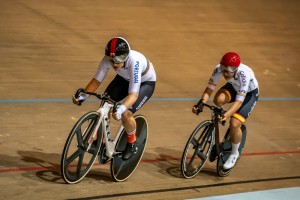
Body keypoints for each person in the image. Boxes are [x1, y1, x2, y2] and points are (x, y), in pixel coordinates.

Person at [72, 37, 156, 160]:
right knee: (105, 103)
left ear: (126, 56)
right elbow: (96, 81)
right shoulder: (108, 60)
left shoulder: (134, 62)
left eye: (119, 59)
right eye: (112, 60)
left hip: (145, 83)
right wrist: (83, 96)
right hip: (123, 80)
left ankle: (132, 144)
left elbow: (134, 95)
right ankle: (102, 141)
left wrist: (121, 109)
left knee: (126, 114)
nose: (115, 63)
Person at [192, 52, 259, 169]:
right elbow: (210, 88)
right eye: (223, 69)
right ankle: (214, 125)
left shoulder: (244, 74)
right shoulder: (218, 69)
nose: (225, 73)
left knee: (234, 123)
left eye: (229, 71)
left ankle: (234, 153)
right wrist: (200, 103)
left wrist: (227, 115)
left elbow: (239, 101)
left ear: (236, 69)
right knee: (218, 100)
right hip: (233, 88)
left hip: (249, 95)